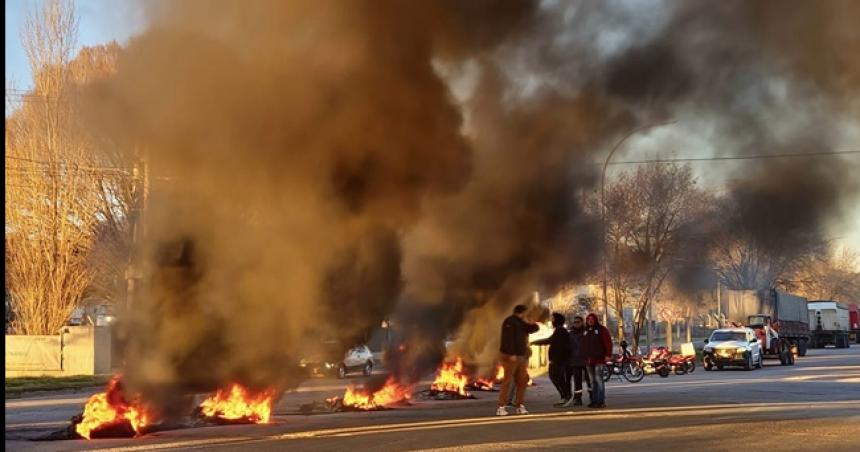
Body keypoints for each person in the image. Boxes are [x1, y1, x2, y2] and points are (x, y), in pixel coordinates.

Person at [497, 304, 540, 416]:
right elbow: (507, 339)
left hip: (522, 356)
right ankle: (501, 406)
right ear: (521, 312)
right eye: (526, 312)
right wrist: (511, 353)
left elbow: (532, 329)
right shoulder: (510, 321)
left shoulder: (521, 322)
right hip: (511, 356)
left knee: (522, 381)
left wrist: (532, 321)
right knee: (507, 381)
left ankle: (519, 405)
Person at [531, 312, 571, 406]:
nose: (551, 321)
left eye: (553, 319)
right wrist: (535, 342)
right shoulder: (558, 330)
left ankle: (566, 396)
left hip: (558, 360)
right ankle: (564, 396)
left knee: (557, 377)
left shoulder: (560, 331)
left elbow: (551, 341)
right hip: (557, 360)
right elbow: (550, 340)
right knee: (556, 377)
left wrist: (534, 343)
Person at [582, 313, 612, 408]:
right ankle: (594, 400)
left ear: (595, 320)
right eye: (588, 319)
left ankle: (600, 401)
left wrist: (608, 355)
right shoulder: (585, 331)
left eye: (592, 319)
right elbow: (582, 344)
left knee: (599, 380)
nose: (590, 321)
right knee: (592, 381)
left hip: (599, 359)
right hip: (588, 360)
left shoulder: (601, 330)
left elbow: (608, 343)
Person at [564, 315, 591, 407]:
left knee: (589, 380)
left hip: (586, 360)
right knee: (577, 381)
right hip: (575, 360)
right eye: (575, 322)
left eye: (578, 322)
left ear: (582, 323)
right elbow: (567, 346)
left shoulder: (587, 332)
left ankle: (592, 397)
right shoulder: (570, 334)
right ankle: (578, 399)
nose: (576, 324)